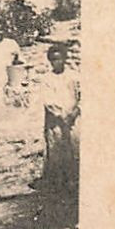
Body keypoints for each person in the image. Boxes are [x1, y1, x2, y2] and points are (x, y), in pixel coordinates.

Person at [36, 42, 81, 192]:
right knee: (56, 150)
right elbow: (48, 101)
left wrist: (74, 112)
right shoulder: (47, 79)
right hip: (55, 121)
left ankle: (73, 179)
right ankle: (57, 182)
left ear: (65, 59)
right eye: (54, 60)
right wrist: (61, 115)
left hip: (73, 118)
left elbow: (80, 96)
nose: (57, 62)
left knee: (73, 148)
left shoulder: (73, 76)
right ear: (50, 61)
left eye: (60, 59)